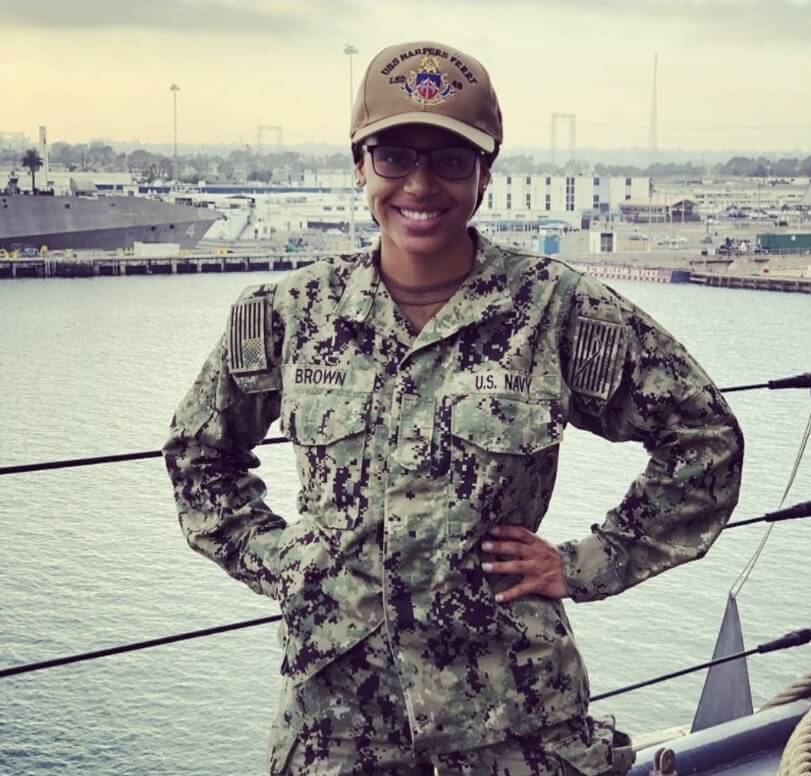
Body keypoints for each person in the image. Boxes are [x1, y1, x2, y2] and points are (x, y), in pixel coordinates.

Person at [163, 40, 744, 776]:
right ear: (360, 167)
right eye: (395, 156)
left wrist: (590, 562)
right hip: (338, 721)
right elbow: (198, 454)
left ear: (485, 176)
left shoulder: (555, 310)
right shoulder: (290, 313)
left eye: (450, 161)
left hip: (512, 712)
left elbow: (703, 440)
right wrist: (284, 560)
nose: (420, 183)